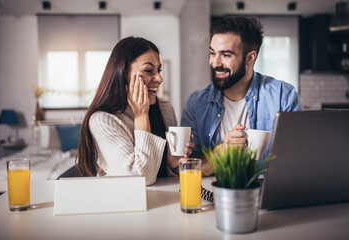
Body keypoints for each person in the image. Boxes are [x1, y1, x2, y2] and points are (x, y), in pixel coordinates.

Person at [181, 16, 304, 174]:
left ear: (250, 58)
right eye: (212, 53)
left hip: (270, 195)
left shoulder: (283, 96)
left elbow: (299, 156)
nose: (215, 63)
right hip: (214, 195)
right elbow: (189, 167)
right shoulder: (195, 103)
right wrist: (222, 151)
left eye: (226, 55)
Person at [78, 36, 194, 185]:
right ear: (122, 73)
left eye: (159, 70)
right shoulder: (103, 120)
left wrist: (172, 163)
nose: (159, 78)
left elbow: (163, 175)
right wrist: (141, 115)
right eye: (148, 70)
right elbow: (141, 179)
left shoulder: (165, 109)